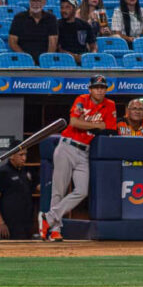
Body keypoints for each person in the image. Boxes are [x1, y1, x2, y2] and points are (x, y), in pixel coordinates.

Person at [40, 74, 117, 242]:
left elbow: (110, 128)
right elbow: (74, 122)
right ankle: (55, 230)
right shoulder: (82, 99)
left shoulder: (109, 104)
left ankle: (49, 217)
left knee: (82, 191)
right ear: (90, 89)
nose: (99, 90)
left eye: (102, 87)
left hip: (85, 151)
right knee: (58, 191)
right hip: (67, 146)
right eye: (96, 87)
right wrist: (97, 125)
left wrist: (89, 124)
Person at [0, 147, 39, 240]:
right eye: (21, 155)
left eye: (25, 155)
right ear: (11, 155)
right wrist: (0, 222)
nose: (24, 158)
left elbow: (39, 187)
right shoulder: (2, 172)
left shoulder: (27, 171)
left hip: (27, 224)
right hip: (9, 225)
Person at [9, 0, 58, 65]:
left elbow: (53, 43)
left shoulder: (51, 18)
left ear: (44, 2)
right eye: (33, 1)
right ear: (29, 2)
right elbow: (12, 42)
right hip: (23, 60)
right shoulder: (19, 18)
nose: (35, 4)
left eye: (38, 1)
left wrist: (46, 60)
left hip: (44, 60)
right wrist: (27, 58)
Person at [57, 0, 96, 65]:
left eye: (67, 7)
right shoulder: (56, 25)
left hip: (84, 61)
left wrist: (90, 57)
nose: (63, 10)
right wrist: (75, 57)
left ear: (75, 9)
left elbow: (93, 46)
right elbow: (58, 48)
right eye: (62, 7)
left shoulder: (84, 25)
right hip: (63, 61)